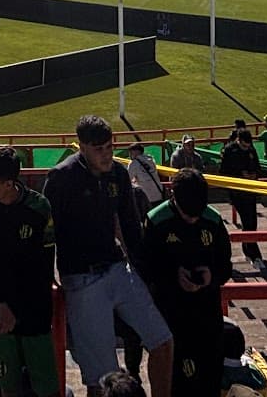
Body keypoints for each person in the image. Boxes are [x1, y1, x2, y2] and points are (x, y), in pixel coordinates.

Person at [43, 115, 173, 397]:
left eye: (109, 147)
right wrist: (49, 278)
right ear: (82, 147)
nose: (106, 154)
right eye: (98, 149)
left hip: (118, 269)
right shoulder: (61, 178)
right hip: (81, 278)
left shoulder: (118, 173)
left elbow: (131, 226)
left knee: (163, 342)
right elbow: (47, 235)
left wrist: (145, 272)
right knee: (101, 380)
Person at [0, 146, 60, 397]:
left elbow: (43, 269)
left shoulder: (38, 209)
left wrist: (13, 307)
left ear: (9, 184)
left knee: (46, 386)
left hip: (32, 310)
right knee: (7, 384)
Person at [138, 169, 234, 396]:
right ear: (173, 195)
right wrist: (173, 275)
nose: (193, 218)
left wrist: (211, 277)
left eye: (197, 212)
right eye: (186, 213)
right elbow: (146, 268)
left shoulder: (213, 220)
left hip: (207, 317)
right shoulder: (156, 221)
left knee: (209, 381)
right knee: (174, 382)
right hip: (170, 316)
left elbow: (225, 266)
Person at [218, 128, 265, 265]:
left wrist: (254, 174)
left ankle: (251, 252)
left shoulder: (251, 149)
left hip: (250, 191)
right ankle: (254, 254)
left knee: (252, 222)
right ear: (238, 140)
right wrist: (240, 175)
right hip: (237, 192)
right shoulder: (229, 150)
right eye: (244, 145)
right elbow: (223, 172)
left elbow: (257, 166)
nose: (247, 148)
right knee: (247, 221)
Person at [126, 142, 166, 217]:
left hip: (146, 199)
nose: (129, 154)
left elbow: (127, 180)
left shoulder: (133, 164)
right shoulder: (151, 159)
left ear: (136, 152)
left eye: (131, 152)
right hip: (159, 194)